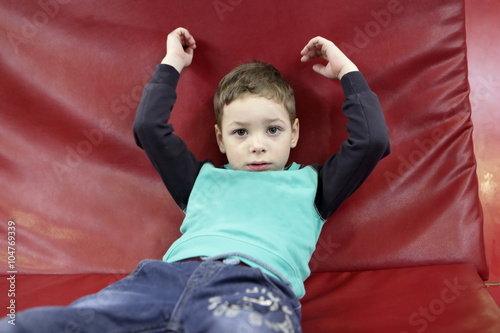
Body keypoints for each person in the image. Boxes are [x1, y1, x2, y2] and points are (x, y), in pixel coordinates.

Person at [1, 27, 390, 332]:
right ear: (220, 138)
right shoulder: (200, 179)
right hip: (161, 281)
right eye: (240, 133)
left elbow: (371, 141)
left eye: (272, 130)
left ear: (294, 133)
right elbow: (150, 128)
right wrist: (172, 63)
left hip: (252, 290)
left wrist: (346, 71)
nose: (258, 146)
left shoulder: (314, 187)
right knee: (31, 325)